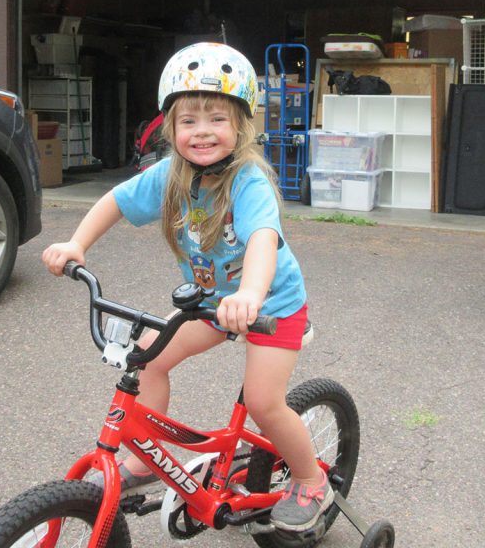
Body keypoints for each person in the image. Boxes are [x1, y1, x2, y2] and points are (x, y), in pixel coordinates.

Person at [41, 42, 332, 533]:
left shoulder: (248, 182)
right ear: (170, 128)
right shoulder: (171, 176)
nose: (202, 132)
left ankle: (310, 481)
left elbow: (263, 239)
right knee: (147, 357)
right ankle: (142, 458)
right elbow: (115, 200)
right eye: (188, 121)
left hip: (271, 305)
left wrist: (251, 296)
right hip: (213, 304)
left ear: (241, 126)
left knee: (263, 402)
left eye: (216, 119)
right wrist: (76, 243)